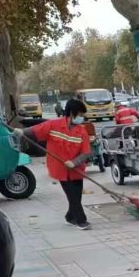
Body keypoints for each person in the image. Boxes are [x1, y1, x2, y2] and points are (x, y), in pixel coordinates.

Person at [14, 98, 92, 230]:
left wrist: (74, 162)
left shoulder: (81, 131)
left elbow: (86, 152)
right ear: (71, 113)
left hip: (76, 169)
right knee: (72, 196)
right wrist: (22, 132)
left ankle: (70, 217)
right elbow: (35, 130)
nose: (81, 118)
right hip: (60, 168)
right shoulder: (54, 125)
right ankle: (81, 220)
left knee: (76, 197)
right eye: (80, 115)